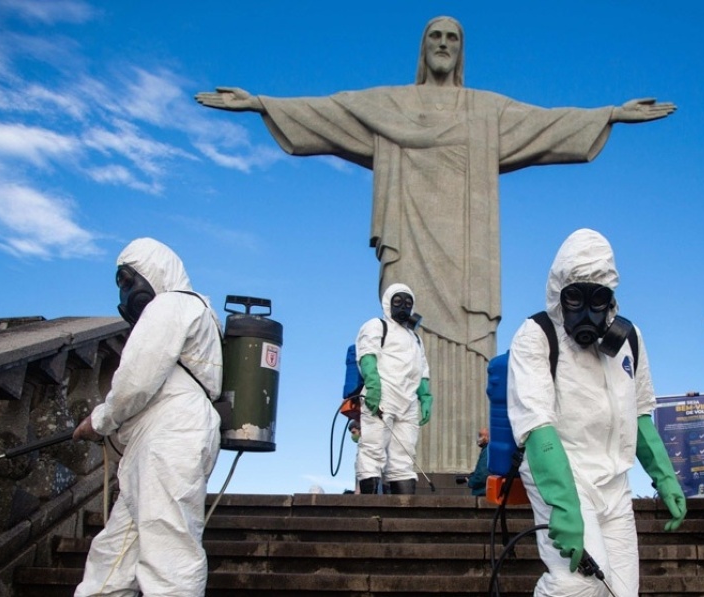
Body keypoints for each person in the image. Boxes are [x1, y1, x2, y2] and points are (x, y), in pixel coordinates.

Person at [195, 16, 675, 474]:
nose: (444, 44)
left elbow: (545, 124)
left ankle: (474, 463)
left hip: (469, 262)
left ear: (461, 50)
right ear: (423, 49)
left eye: (453, 38)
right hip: (410, 249)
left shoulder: (486, 111)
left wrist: (609, 114)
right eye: (435, 37)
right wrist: (262, 104)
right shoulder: (392, 106)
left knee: (470, 353)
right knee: (407, 338)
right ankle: (404, 469)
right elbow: (331, 111)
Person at [507, 229, 686, 597]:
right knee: (577, 586)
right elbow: (537, 424)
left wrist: (664, 477)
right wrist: (564, 504)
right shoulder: (535, 335)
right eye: (575, 297)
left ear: (611, 299)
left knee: (621, 592)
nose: (587, 311)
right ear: (559, 294)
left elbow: (638, 413)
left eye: (598, 299)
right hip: (564, 472)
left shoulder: (629, 340)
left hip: (615, 482)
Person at [72, 237, 223, 596]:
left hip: (170, 436)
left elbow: (136, 380)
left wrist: (99, 420)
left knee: (168, 553)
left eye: (128, 280)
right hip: (159, 440)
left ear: (153, 271)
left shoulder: (172, 304)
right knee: (114, 554)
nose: (126, 291)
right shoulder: (202, 315)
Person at [354, 283, 433, 495]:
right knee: (373, 448)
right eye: (398, 302)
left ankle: (403, 505)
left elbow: (422, 369)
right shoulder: (377, 326)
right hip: (382, 396)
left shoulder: (415, 338)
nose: (403, 307)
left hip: (407, 402)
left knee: (405, 453)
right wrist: (373, 386)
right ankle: (368, 504)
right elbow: (367, 355)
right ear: (388, 303)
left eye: (407, 303)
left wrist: (425, 396)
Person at [467, 427, 490, 497]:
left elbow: (483, 474)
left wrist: (471, 482)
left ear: (488, 437)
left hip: (483, 492)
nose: (479, 438)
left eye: (480, 435)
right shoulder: (489, 450)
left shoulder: (487, 451)